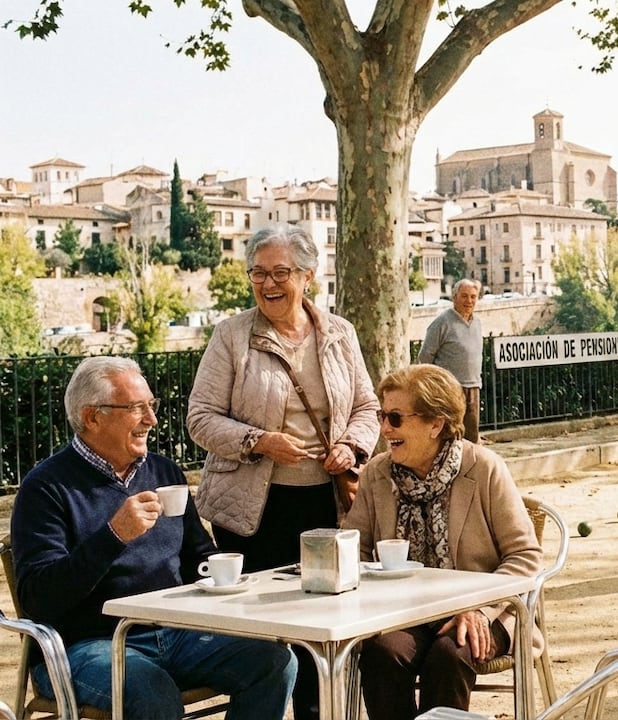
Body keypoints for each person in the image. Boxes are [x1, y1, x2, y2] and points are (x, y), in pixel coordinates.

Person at [11, 356, 297, 718]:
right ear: (92, 417)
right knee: (152, 690)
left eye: (152, 405)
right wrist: (114, 535)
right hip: (87, 644)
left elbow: (196, 557)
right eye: (136, 408)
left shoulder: (163, 471)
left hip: (176, 631)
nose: (152, 419)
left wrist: (225, 573)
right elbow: (39, 598)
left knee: (274, 660)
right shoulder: (45, 487)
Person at [187, 225, 379, 720]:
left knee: (325, 627)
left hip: (327, 505)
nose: (268, 284)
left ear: (308, 276)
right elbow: (200, 418)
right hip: (251, 510)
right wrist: (258, 441)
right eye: (258, 273)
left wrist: (351, 446)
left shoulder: (340, 333)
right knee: (265, 636)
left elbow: (367, 406)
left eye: (280, 273)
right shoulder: (231, 336)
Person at [343, 364, 542, 718]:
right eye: (382, 416)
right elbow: (355, 549)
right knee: (381, 653)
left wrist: (480, 608)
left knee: (450, 654)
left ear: (436, 424)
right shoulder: (376, 473)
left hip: (486, 610)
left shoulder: (484, 468)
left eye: (395, 418)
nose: (385, 429)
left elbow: (524, 556)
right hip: (404, 613)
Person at [418, 279, 484, 443]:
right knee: (451, 435)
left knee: (471, 437)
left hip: (473, 387)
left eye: (473, 297)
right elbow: (425, 356)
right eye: (464, 296)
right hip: (450, 389)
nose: (469, 301)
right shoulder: (442, 322)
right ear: (454, 297)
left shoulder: (477, 323)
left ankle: (469, 461)